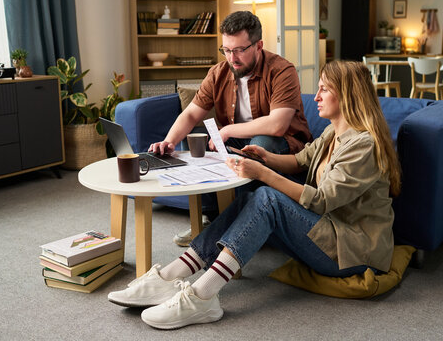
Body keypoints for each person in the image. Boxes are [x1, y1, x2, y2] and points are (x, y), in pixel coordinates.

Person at [108, 60, 402, 329]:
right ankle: (170, 276)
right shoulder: (332, 132)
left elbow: (322, 199)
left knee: (267, 197)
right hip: (328, 232)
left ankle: (202, 296)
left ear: (348, 94)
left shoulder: (363, 145)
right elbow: (300, 161)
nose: (316, 97)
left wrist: (262, 173)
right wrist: (263, 157)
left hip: (353, 250)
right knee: (252, 198)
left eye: (325, 89)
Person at [150, 11, 311, 246]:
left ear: (259, 46)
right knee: (195, 142)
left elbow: (277, 125)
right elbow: (192, 113)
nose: (231, 58)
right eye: (226, 49)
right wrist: (169, 141)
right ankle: (211, 216)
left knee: (258, 145)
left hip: (284, 146)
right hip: (239, 140)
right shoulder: (218, 72)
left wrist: (227, 131)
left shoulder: (282, 70)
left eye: (239, 50)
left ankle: (248, 222)